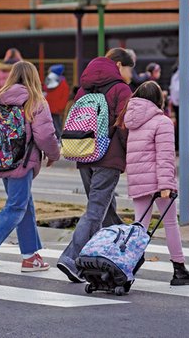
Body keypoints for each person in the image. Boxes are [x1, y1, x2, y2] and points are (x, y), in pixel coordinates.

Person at [0, 61, 60, 278]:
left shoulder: (0, 98)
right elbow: (45, 135)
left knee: (25, 205)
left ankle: (30, 256)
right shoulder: (35, 100)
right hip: (22, 161)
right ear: (33, 78)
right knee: (17, 206)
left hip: (2, 159)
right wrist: (54, 155)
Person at [56, 47, 134, 282]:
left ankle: (122, 254)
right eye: (130, 68)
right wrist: (127, 155)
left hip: (84, 155)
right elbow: (124, 126)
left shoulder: (83, 89)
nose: (131, 73)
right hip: (108, 160)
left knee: (105, 212)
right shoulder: (121, 89)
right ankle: (71, 258)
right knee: (95, 212)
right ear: (119, 65)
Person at [120, 81, 189, 285]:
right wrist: (166, 185)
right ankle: (179, 268)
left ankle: (126, 268)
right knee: (170, 224)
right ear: (158, 100)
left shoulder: (132, 120)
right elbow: (164, 157)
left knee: (140, 226)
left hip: (139, 181)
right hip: (157, 182)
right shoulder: (162, 122)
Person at [43, 64, 70, 139]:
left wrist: (60, 107)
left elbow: (64, 97)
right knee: (54, 124)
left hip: (54, 108)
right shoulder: (55, 82)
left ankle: (60, 139)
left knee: (56, 124)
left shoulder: (61, 84)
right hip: (51, 108)